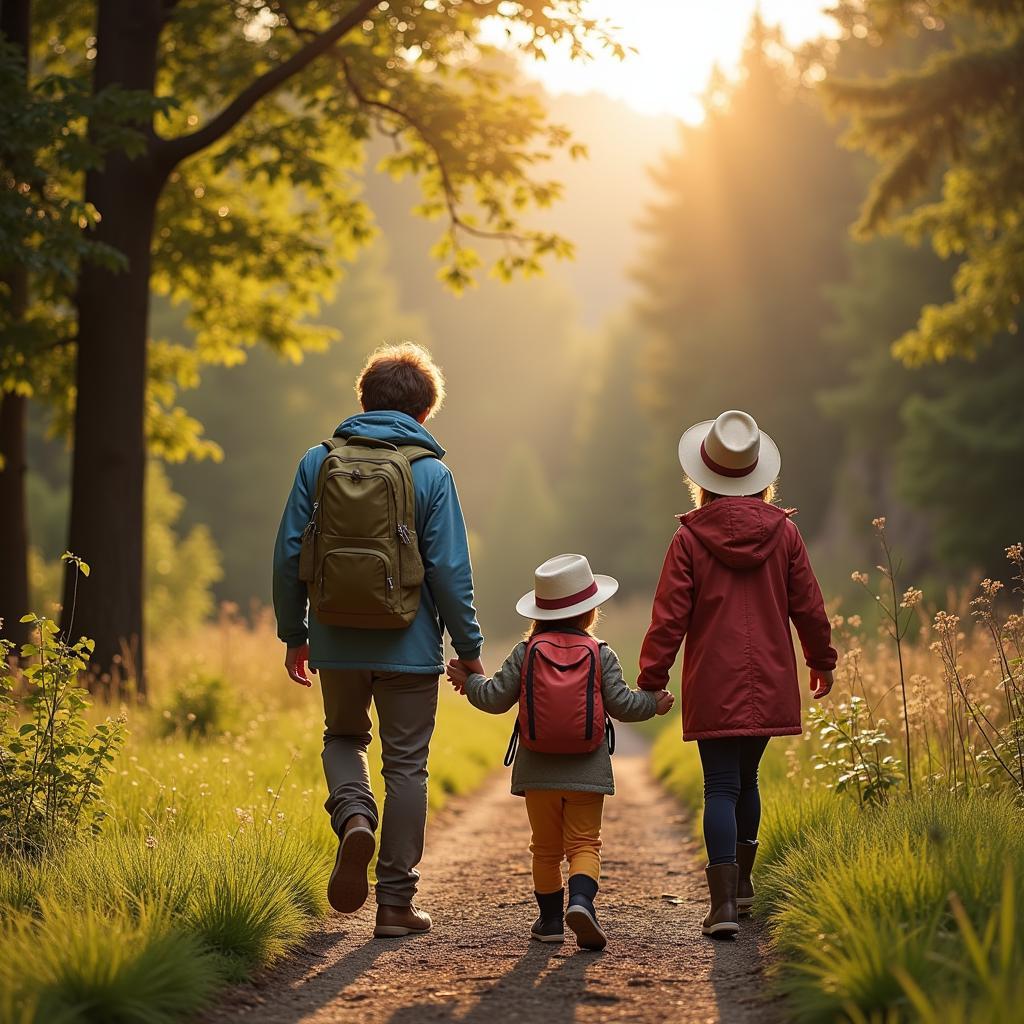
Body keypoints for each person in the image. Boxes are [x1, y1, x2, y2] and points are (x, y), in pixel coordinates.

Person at [272, 343, 484, 938]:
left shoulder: (318, 462)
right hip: (411, 647)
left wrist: (296, 633)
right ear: (424, 413)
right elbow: (449, 571)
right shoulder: (431, 472)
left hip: (335, 638)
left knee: (342, 737)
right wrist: (467, 650)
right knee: (407, 768)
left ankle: (354, 816)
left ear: (362, 401)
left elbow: (290, 554)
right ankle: (394, 905)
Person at [637, 410, 836, 937]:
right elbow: (809, 607)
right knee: (746, 780)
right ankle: (742, 889)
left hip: (713, 682)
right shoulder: (785, 535)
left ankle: (722, 906)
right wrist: (821, 660)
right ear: (760, 477)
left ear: (702, 480)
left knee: (720, 785)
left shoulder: (689, 540)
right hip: (769, 678)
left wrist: (651, 680)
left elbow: (668, 618)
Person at [447, 554, 674, 951]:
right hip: (588, 768)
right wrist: (653, 703)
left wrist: (469, 682)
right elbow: (622, 705)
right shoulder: (600, 651)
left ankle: (550, 921)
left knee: (546, 848)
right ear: (589, 612)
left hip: (537, 770)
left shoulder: (526, 650)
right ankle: (582, 903)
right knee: (585, 843)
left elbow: (496, 698)